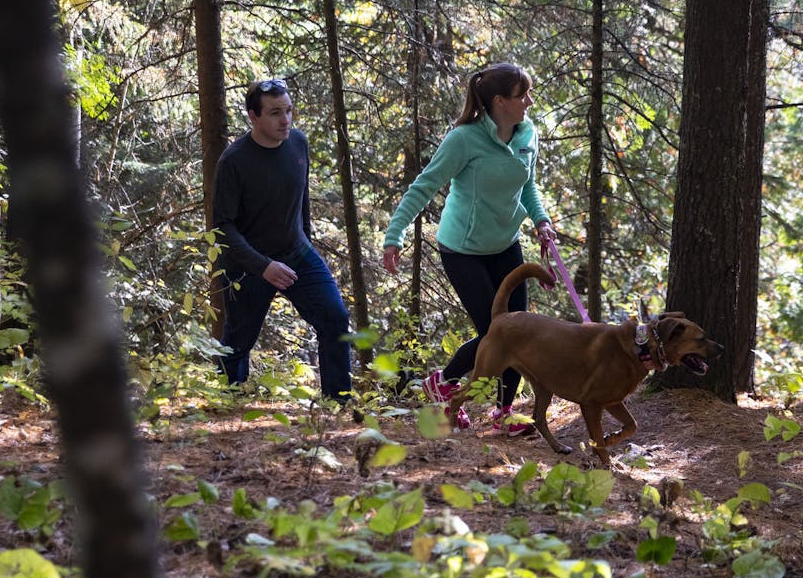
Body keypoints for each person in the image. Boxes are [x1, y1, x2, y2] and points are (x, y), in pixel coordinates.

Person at [382, 62, 555, 434]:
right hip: (463, 248)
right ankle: (442, 383)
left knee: (518, 332)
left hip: (505, 244)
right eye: (520, 95)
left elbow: (528, 186)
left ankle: (503, 412)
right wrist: (393, 236)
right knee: (498, 332)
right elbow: (423, 186)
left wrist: (540, 221)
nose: (528, 101)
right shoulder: (464, 139)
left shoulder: (528, 135)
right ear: (498, 102)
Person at [212, 78, 351, 400]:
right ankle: (227, 404)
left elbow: (301, 198)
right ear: (253, 116)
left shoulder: (298, 143)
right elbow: (222, 227)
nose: (285, 120)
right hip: (247, 266)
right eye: (275, 113)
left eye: (288, 111)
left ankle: (338, 404)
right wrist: (262, 267)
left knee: (335, 318)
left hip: (297, 253)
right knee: (238, 341)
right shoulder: (234, 161)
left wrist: (306, 238)